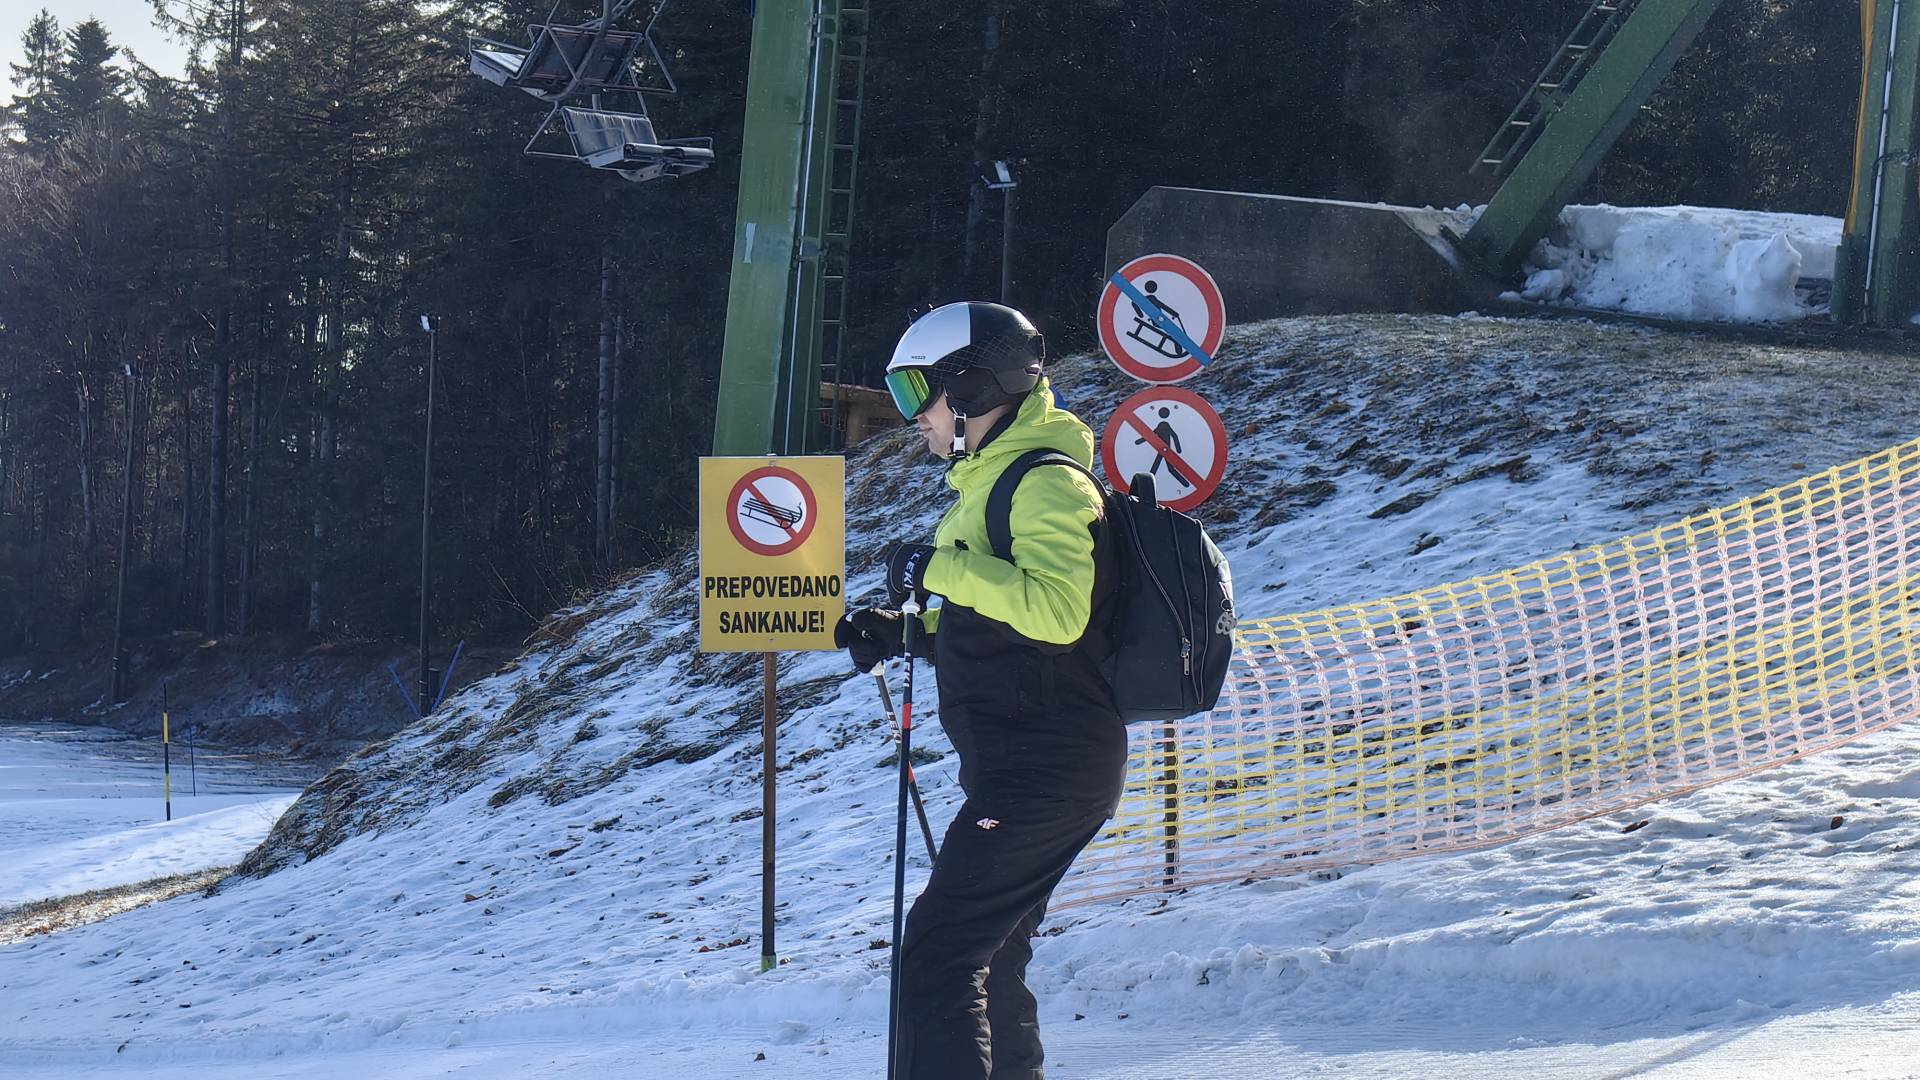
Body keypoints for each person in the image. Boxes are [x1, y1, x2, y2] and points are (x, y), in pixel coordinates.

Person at [835, 301, 1127, 1080]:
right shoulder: (992, 481)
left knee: (939, 951)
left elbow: (1057, 612)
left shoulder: (1046, 483)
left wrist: (939, 568)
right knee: (988, 957)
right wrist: (906, 634)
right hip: (1025, 760)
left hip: (1048, 766)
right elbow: (1004, 627)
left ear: (971, 387)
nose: (912, 418)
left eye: (916, 394)